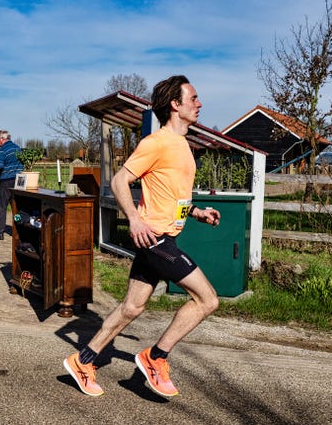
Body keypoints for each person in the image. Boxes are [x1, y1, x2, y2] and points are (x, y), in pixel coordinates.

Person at [63, 75, 221, 397]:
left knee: (132, 308)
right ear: (175, 105)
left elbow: (171, 196)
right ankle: (156, 357)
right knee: (207, 300)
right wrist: (134, 219)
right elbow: (121, 181)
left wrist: (197, 213)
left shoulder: (182, 146)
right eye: (193, 98)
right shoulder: (156, 142)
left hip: (165, 235)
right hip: (156, 239)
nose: (199, 104)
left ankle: (84, 360)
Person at [0, 130, 23, 240]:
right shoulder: (18, 148)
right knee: (17, 207)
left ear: (1, 139)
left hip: (6, 181)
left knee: (2, 207)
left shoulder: (3, 150)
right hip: (19, 181)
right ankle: (20, 229)